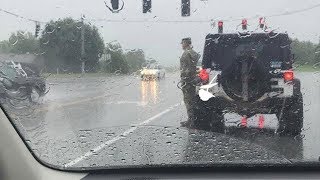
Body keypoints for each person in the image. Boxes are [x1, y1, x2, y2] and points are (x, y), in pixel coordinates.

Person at [179, 37, 200, 128]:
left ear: (186, 43)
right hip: (191, 79)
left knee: (188, 100)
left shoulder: (186, 53)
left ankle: (191, 121)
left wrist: (186, 77)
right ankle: (192, 119)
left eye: (182, 43)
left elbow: (187, 68)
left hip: (187, 80)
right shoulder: (192, 52)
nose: (182, 45)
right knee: (191, 100)